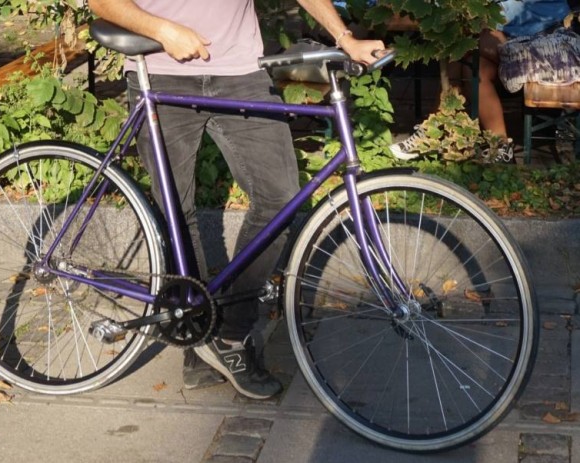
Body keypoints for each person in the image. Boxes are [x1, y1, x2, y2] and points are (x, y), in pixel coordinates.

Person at [87, 0, 385, 399]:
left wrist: (344, 37)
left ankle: (228, 333)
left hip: (242, 72)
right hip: (158, 70)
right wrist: (162, 30)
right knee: (176, 215)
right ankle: (195, 334)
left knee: (280, 198)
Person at [390, 0, 571, 162]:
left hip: (544, 47)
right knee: (474, 70)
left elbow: (510, 11)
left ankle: (434, 128)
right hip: (510, 38)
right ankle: (500, 147)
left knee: (462, 43)